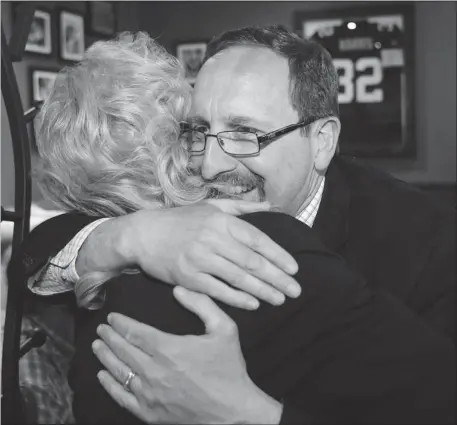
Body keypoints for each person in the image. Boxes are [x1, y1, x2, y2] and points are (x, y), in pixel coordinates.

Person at [15, 26, 455, 424]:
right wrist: (129, 236)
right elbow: (39, 249)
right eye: (199, 130)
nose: (209, 164)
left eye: (246, 134)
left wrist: (250, 415)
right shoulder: (165, 219)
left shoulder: (429, 244)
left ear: (322, 142)